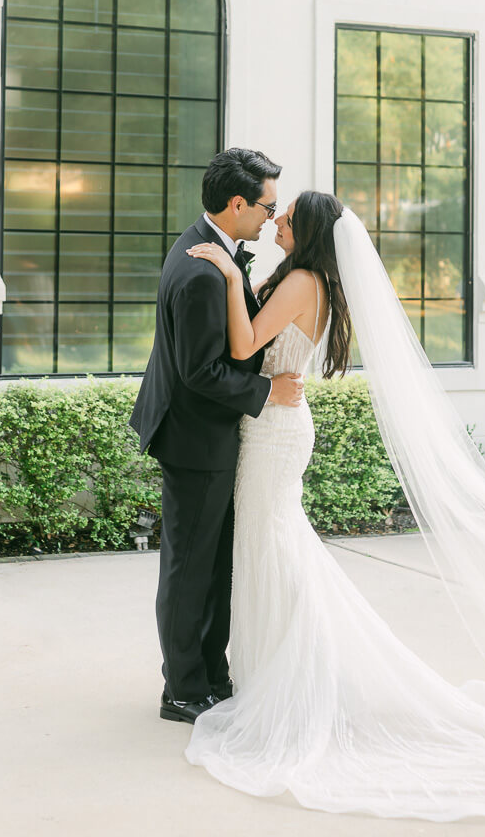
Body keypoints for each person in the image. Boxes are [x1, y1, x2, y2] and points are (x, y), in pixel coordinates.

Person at [182, 191, 485, 823]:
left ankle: (293, 680)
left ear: (306, 233)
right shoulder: (305, 278)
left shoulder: (303, 279)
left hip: (277, 433)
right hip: (276, 426)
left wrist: (229, 273)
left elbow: (248, 339)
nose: (276, 222)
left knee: (273, 545)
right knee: (272, 545)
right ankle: (279, 673)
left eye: (286, 217)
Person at [129, 148, 304, 724]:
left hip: (204, 435)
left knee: (208, 563)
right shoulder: (203, 270)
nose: (270, 218)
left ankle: (209, 675)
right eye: (267, 206)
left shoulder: (210, 250)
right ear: (237, 204)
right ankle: (181, 690)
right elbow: (200, 372)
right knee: (188, 568)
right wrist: (266, 394)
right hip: (195, 439)